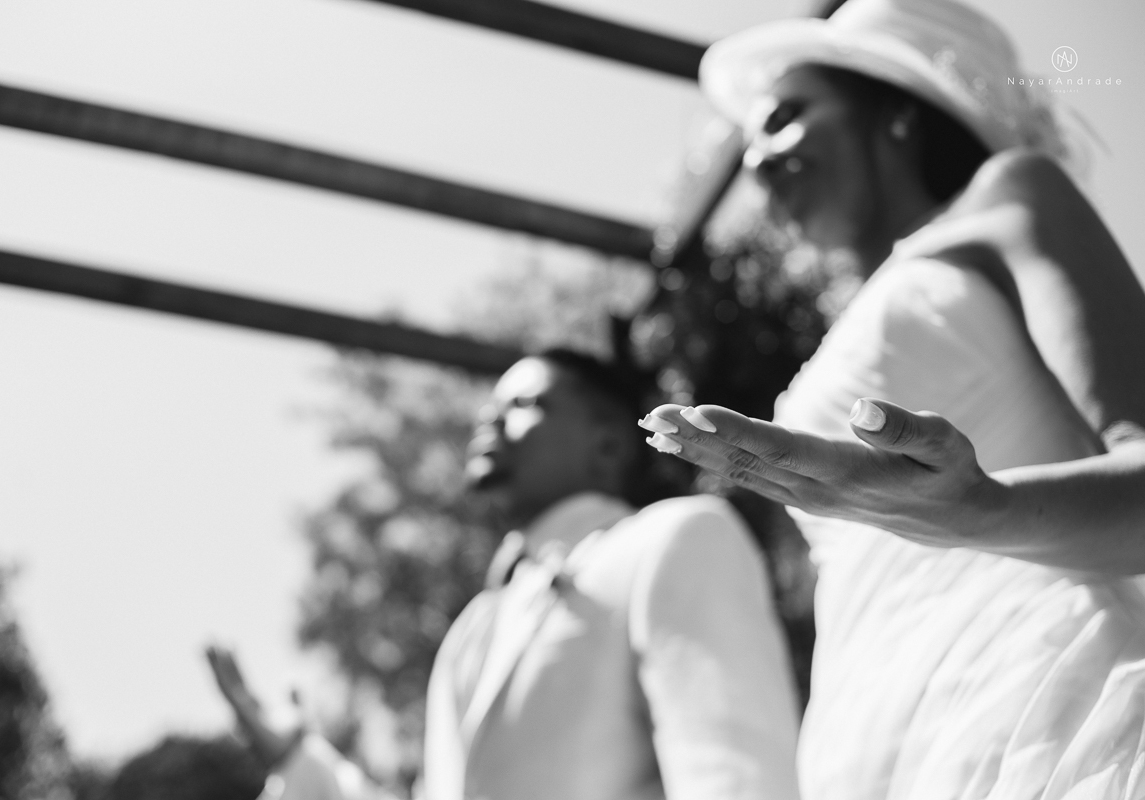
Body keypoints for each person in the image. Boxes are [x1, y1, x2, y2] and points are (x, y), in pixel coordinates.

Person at [636, 0, 1145, 797]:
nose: (758, 161)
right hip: (875, 748)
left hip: (1043, 719)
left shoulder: (1011, 197)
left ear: (898, 114)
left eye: (787, 118)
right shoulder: (856, 314)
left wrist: (984, 511)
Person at [210, 349, 802, 800]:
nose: (489, 419)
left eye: (523, 405)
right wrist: (298, 759)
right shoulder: (472, 627)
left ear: (608, 446)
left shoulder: (675, 539)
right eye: (490, 407)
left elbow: (734, 770)